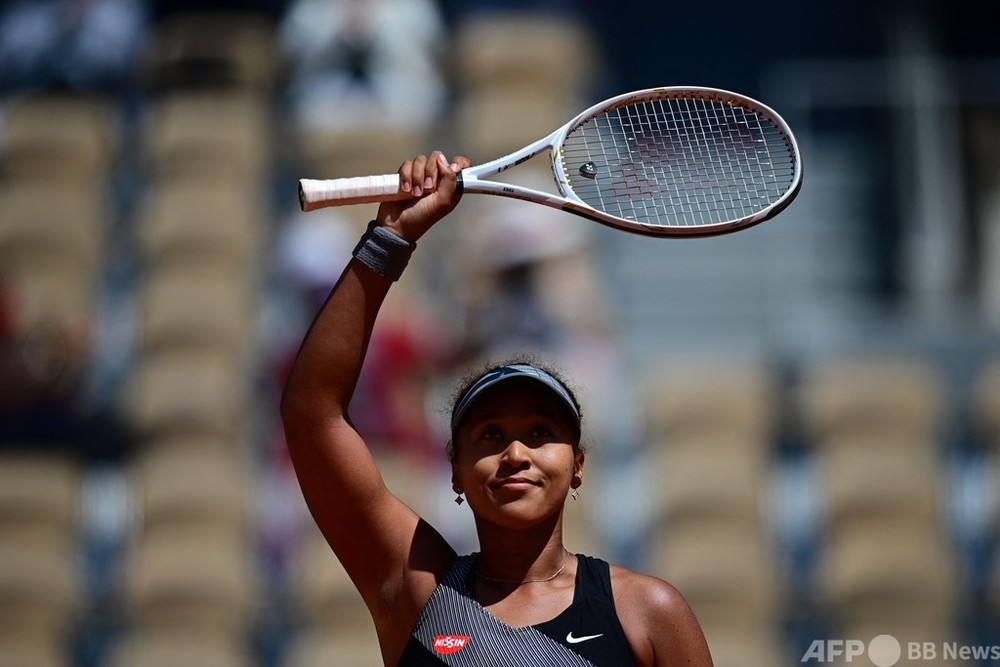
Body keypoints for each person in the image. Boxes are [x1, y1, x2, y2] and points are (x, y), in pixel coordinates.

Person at [279, 150, 714, 666]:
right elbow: (312, 414)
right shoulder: (418, 594)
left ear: (578, 465)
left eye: (539, 432)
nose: (514, 453)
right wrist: (389, 238)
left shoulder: (648, 612)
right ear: (455, 472)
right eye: (489, 434)